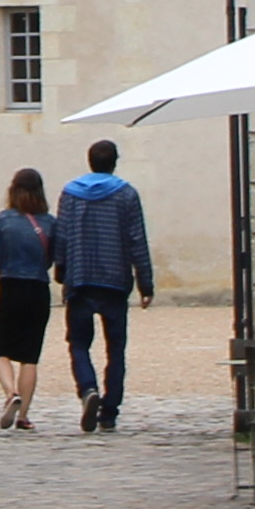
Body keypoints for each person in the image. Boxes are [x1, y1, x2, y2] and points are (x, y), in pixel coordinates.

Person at [54, 136, 157, 431]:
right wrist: (145, 284)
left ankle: (88, 389)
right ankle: (110, 411)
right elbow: (137, 240)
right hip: (114, 279)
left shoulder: (70, 194)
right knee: (116, 349)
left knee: (78, 343)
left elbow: (62, 236)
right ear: (114, 163)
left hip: (81, 278)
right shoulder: (126, 195)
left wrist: (61, 271)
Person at [0, 167, 59, 429]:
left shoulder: (3, 220)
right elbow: (52, 259)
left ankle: (10, 392)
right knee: (30, 355)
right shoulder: (49, 222)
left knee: (0, 349)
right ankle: (23, 414)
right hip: (38, 289)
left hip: (10, 286)